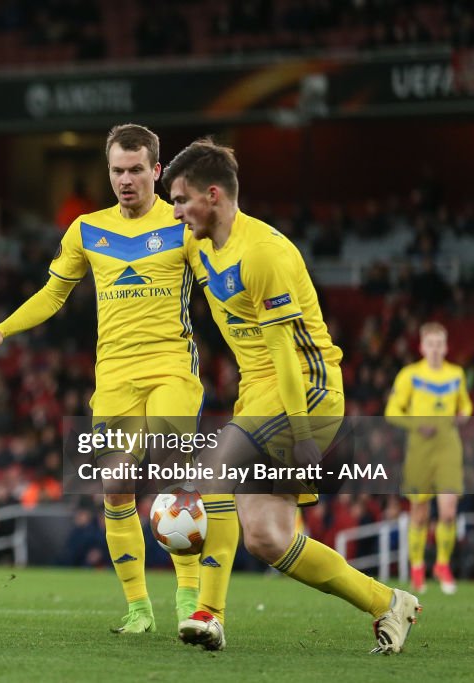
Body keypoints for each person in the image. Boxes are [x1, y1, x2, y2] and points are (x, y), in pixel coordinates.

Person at [0, 124, 235, 634]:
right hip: (113, 375)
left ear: (157, 172)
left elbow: (219, 291)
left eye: (137, 169)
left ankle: (188, 601)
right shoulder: (87, 230)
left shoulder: (182, 224)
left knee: (169, 479)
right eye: (117, 170)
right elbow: (52, 294)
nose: (126, 179)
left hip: (171, 369)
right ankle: (138, 609)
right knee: (115, 488)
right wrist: (1, 331)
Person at [162, 138, 420, 654]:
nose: (175, 210)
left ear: (213, 196)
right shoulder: (195, 240)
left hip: (306, 389)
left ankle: (208, 613)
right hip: (257, 394)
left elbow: (284, 353)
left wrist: (304, 434)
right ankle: (388, 602)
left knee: (212, 469)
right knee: (266, 538)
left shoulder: (266, 254)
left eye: (182, 199)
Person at [385, 322, 471, 595]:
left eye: (439, 344)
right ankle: (418, 568)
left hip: (448, 448)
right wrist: (416, 425)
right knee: (419, 514)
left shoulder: (456, 374)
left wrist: (464, 414)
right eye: (430, 344)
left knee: (448, 511)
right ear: (422, 346)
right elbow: (392, 411)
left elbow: (465, 404)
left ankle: (442, 565)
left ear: (446, 347)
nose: (435, 349)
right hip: (420, 449)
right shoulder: (410, 375)